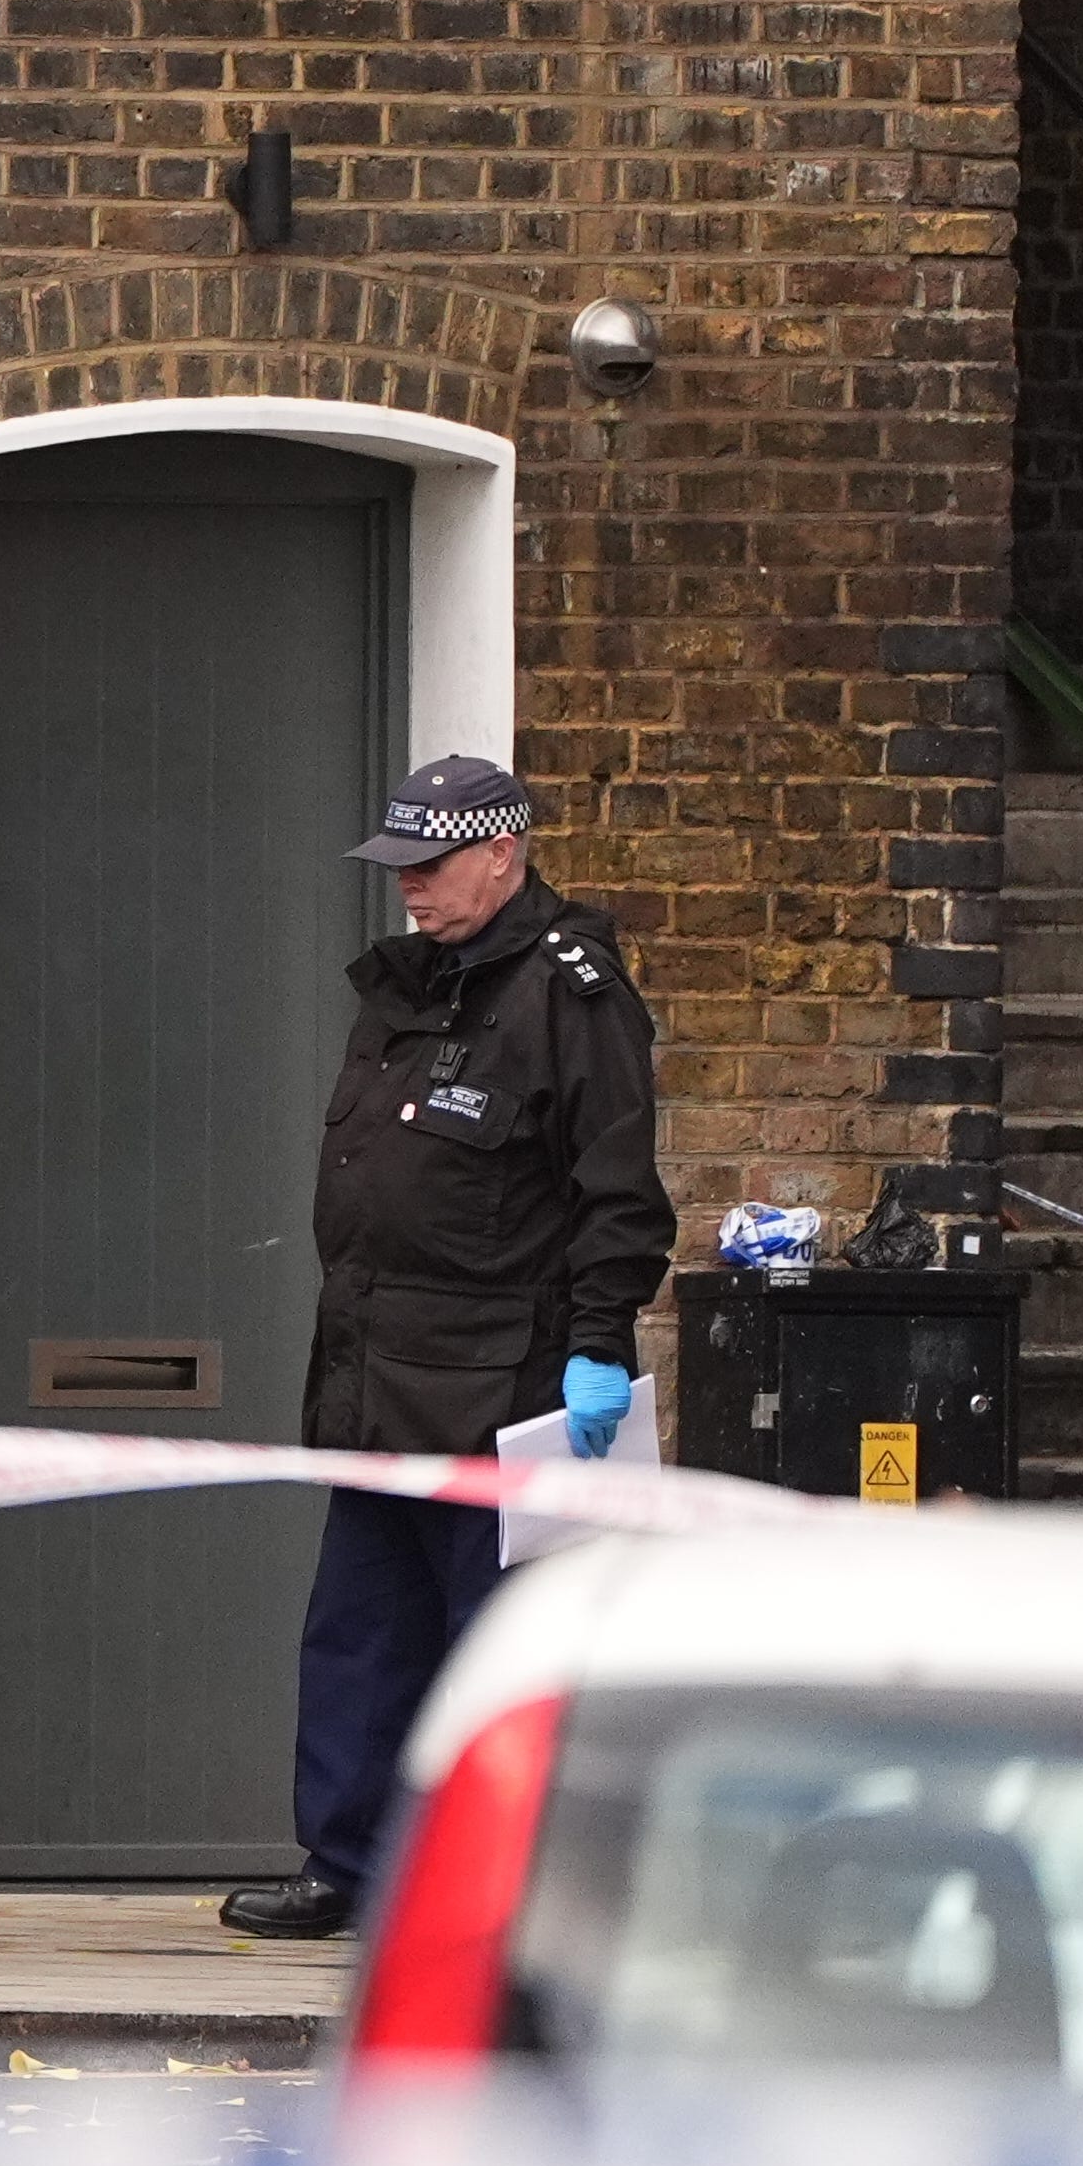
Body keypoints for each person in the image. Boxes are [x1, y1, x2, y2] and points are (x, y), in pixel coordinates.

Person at [220, 755, 672, 1942]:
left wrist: (599, 1342)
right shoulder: (408, 987)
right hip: (373, 1375)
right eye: (399, 867)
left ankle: (517, 1890)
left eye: (429, 865)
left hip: (500, 1391)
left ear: (503, 853)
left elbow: (617, 1191)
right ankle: (348, 1865)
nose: (409, 888)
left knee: (502, 1651)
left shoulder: (573, 993)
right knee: (359, 1637)